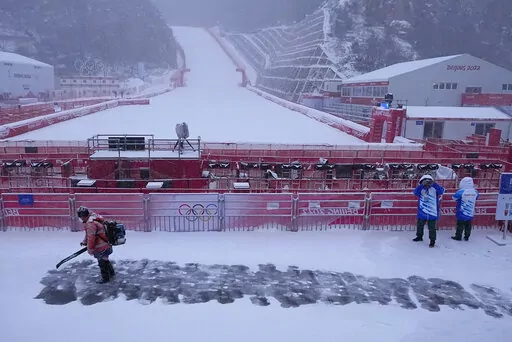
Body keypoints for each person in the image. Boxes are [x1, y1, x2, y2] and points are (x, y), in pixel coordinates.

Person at [77, 206, 115, 283]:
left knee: (102, 262)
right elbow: (89, 234)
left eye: (81, 216)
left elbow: (91, 238)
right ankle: (111, 273)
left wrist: (90, 249)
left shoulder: (90, 224)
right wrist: (85, 242)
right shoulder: (94, 219)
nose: (81, 218)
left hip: (101, 246)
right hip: (105, 244)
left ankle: (105, 278)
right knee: (105, 260)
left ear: (83, 216)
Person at [413, 174, 445, 248]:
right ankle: (419, 236)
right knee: (420, 225)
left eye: (428, 181)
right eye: (425, 181)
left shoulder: (435, 189)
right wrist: (421, 185)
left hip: (432, 212)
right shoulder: (421, 189)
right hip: (422, 211)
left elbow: (441, 191)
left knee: (432, 228)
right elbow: (415, 193)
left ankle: (432, 241)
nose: (427, 183)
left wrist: (434, 184)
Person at [451, 177, 479, 241]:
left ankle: (458, 236)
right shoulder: (475, 191)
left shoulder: (461, 191)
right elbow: (477, 197)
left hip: (461, 211)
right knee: (468, 225)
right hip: (471, 211)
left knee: (460, 225)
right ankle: (467, 236)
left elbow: (454, 198)